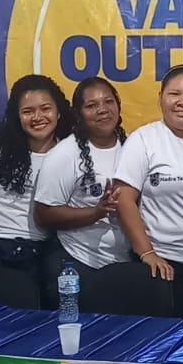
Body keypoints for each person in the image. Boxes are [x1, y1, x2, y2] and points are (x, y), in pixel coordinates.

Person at [113, 66, 183, 317]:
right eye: (174, 94)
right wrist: (147, 252)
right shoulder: (144, 139)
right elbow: (124, 199)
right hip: (162, 265)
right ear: (161, 98)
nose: (182, 102)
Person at [0, 75, 73, 308]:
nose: (38, 117)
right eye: (28, 111)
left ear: (59, 112)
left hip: (36, 251)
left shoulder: (70, 151)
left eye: (45, 109)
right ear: (17, 117)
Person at [34, 78, 129, 313]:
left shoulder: (134, 146)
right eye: (91, 105)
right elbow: (44, 214)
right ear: (78, 113)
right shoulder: (65, 155)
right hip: (78, 264)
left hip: (125, 264)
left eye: (108, 102)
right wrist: (96, 212)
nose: (102, 110)